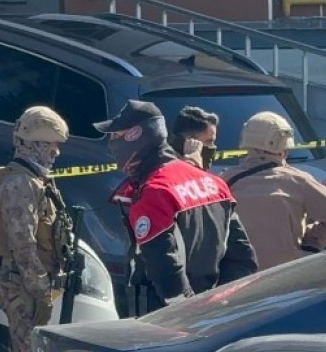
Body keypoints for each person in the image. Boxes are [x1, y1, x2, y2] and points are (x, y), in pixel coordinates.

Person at [98, 100, 257, 310]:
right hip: (211, 312)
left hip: (164, 319)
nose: (111, 143)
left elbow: (164, 265)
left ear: (136, 137)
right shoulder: (214, 183)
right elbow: (244, 259)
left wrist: (187, 310)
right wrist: (220, 307)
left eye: (116, 135)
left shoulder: (155, 191)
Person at [0, 106, 71, 352]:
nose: (55, 152)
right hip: (23, 286)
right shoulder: (21, 183)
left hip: (33, 284)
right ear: (31, 143)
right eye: (49, 145)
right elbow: (23, 244)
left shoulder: (36, 180)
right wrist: (40, 290)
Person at [221, 112, 326, 268]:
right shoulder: (298, 181)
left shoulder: (224, 181)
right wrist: (311, 241)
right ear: (284, 148)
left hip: (236, 280)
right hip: (286, 277)